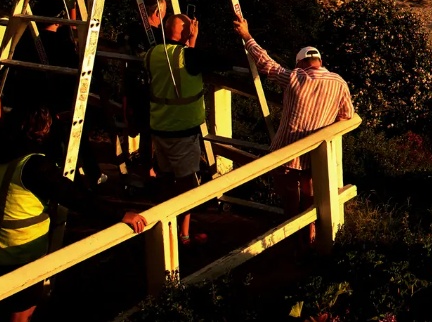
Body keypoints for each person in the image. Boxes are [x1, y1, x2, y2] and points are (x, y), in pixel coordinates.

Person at [0, 107, 145, 321]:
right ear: (41, 129)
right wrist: (120, 214)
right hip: (16, 254)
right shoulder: (34, 166)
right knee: (22, 313)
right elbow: (77, 198)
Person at [232, 18, 353, 243]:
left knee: (289, 197)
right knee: (310, 194)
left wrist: (247, 36)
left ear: (300, 63)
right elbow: (347, 116)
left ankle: (292, 236)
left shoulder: (295, 77)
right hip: (316, 152)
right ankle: (310, 235)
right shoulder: (339, 82)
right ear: (320, 61)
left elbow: (266, 64)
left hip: (287, 149)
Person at [145, 12, 236, 244]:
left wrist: (190, 41)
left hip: (159, 127)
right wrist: (193, 41)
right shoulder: (188, 56)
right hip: (183, 130)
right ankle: (183, 235)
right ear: (188, 32)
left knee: (166, 179)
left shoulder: (152, 53)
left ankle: (164, 228)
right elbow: (225, 62)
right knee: (187, 184)